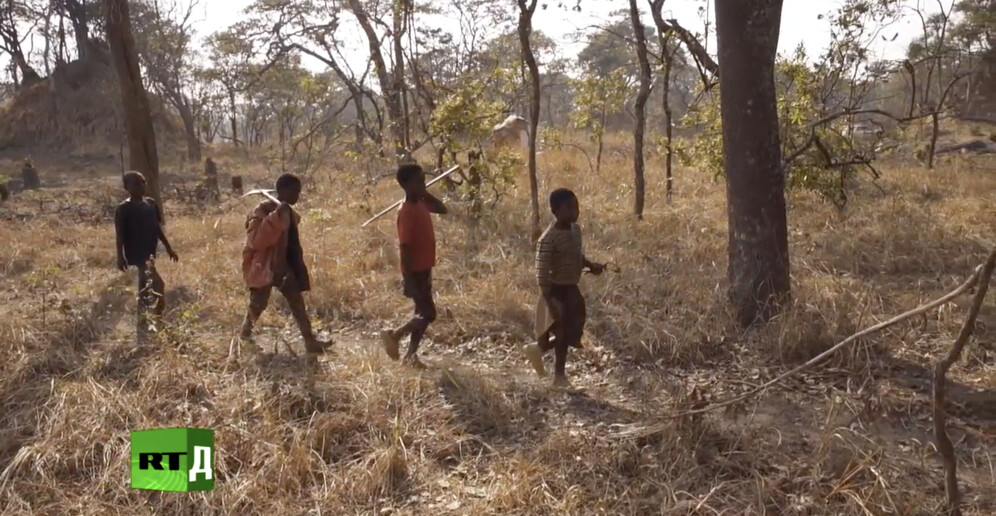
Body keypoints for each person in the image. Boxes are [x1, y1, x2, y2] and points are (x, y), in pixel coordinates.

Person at [239, 173, 331, 355]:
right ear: (282, 191)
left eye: (299, 192)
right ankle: (244, 337)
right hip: (264, 267)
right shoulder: (261, 212)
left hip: (285, 266)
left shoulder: (285, 210)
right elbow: (255, 241)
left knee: (297, 302)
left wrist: (283, 212)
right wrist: (275, 217)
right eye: (294, 191)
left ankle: (310, 342)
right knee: (257, 305)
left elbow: (291, 230)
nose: (297, 196)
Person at [524, 188, 605, 389]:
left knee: (574, 330)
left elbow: (577, 256)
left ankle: (538, 349)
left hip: (571, 289)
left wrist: (590, 265)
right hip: (555, 291)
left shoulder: (575, 231)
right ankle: (559, 377)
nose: (574, 211)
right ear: (555, 210)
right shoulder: (548, 239)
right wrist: (549, 300)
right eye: (569, 207)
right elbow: (541, 272)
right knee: (561, 333)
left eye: (576, 206)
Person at [380, 163, 448, 368]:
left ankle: (410, 356)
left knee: (421, 314)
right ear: (406, 185)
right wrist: (408, 278)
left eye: (424, 180)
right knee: (428, 314)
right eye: (419, 181)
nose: (424, 184)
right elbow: (405, 247)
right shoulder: (406, 211)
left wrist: (425, 193)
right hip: (415, 271)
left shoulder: (421, 202)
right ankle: (395, 335)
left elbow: (443, 209)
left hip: (425, 268)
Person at [114, 171, 178, 328]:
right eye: (136, 183)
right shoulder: (124, 209)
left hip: (149, 251)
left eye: (143, 182)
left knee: (145, 287)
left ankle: (145, 322)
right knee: (157, 285)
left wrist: (169, 248)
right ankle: (155, 319)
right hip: (136, 253)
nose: (141, 186)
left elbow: (157, 229)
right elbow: (120, 235)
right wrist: (120, 257)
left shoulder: (150, 204)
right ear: (126, 187)